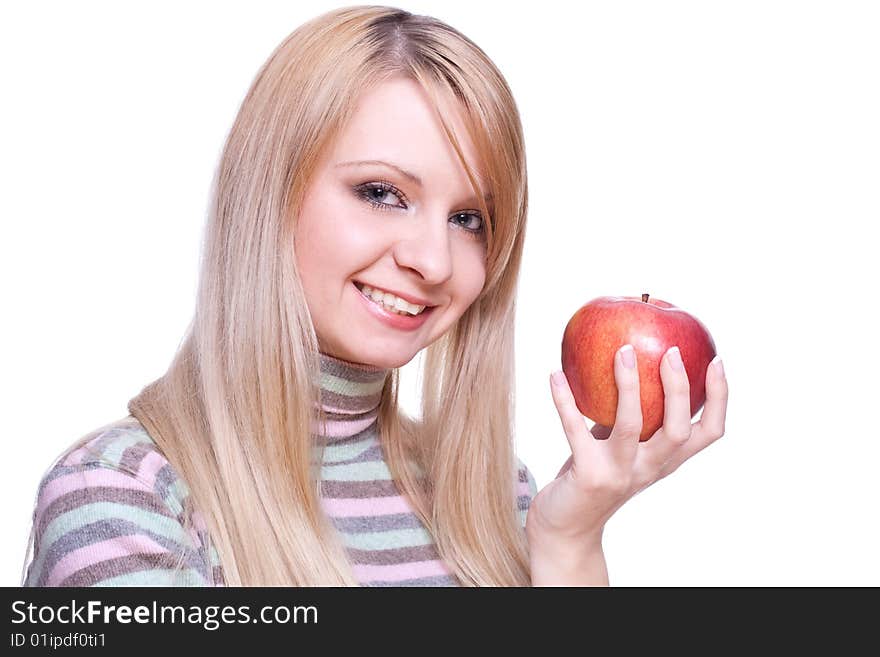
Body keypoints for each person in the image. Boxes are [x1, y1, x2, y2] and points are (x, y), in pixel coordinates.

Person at [21, 5, 728, 587]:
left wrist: (570, 539)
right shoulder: (122, 499)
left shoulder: (504, 503)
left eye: (469, 219)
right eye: (382, 193)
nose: (432, 259)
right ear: (270, 192)